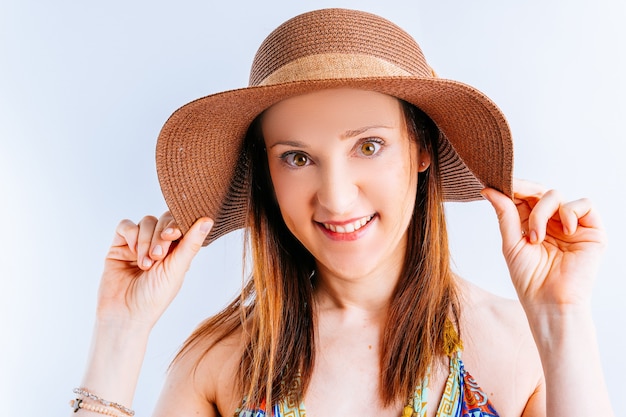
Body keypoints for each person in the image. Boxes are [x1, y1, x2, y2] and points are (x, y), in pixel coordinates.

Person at [70, 8, 614, 417]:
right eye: (298, 157)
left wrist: (562, 315)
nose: (335, 196)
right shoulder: (221, 363)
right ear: (268, 175)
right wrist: (121, 329)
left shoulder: (519, 347)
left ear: (421, 148)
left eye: (368, 145)